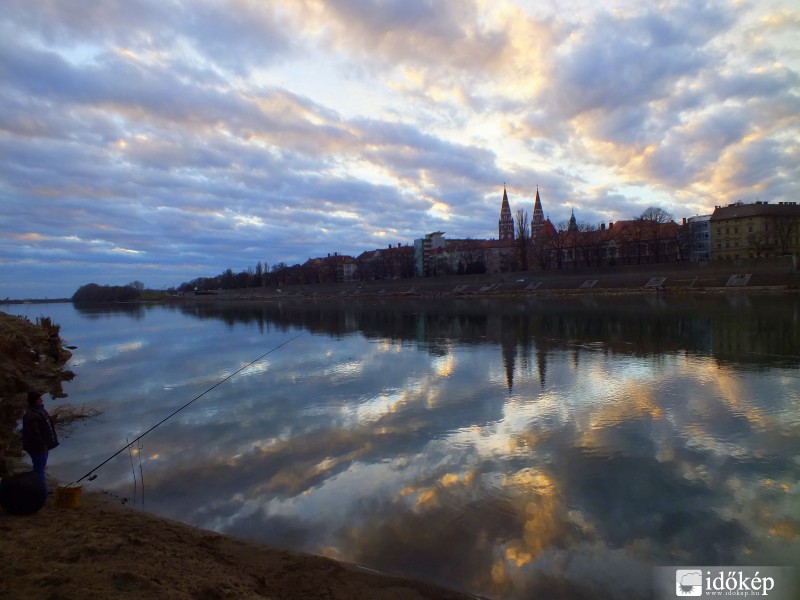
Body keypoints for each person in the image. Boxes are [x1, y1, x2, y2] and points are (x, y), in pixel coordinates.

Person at [22, 391, 59, 486]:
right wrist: (42, 445)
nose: (42, 400)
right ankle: (40, 489)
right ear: (34, 401)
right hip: (38, 448)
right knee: (39, 469)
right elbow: (33, 434)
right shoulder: (31, 415)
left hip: (43, 447)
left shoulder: (41, 411)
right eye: (39, 399)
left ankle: (40, 487)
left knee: (40, 468)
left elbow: (47, 427)